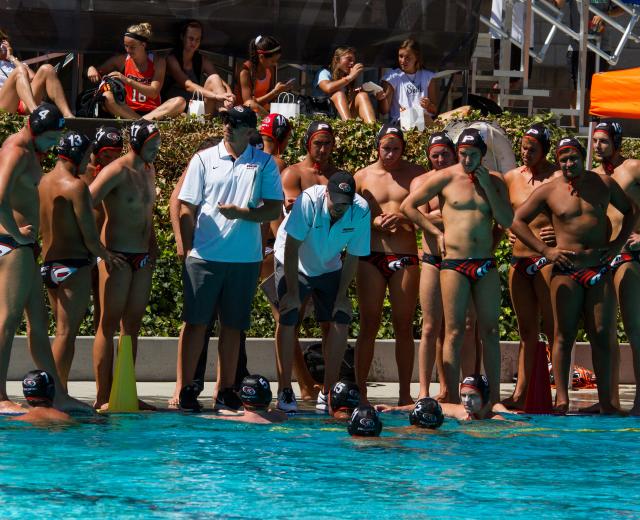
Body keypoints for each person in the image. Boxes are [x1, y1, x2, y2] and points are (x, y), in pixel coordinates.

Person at [510, 137, 636, 414]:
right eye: (563, 160)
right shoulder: (549, 191)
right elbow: (516, 220)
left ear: (583, 159)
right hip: (565, 270)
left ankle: (606, 402)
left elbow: (630, 212)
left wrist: (616, 245)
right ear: (558, 162)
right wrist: (546, 250)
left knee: (602, 334)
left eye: (573, 159)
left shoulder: (603, 184)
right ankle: (562, 400)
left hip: (598, 268)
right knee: (563, 335)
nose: (568, 164)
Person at [176, 106, 283, 412]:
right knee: (195, 324)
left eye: (235, 123)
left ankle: (226, 390)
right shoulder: (203, 159)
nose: (227, 126)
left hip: (244, 260)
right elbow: (187, 208)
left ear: (250, 132)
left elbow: (273, 210)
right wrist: (188, 250)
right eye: (226, 121)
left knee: (233, 327)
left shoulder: (263, 163)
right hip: (204, 257)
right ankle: (186, 389)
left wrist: (241, 214)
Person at [401, 127, 514, 404]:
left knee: (489, 330)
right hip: (453, 264)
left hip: (484, 264)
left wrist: (487, 186)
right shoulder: (445, 178)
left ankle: (494, 398)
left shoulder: (496, 181)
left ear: (482, 155)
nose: (466, 160)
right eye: (462, 154)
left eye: (472, 155)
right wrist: (436, 233)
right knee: (452, 331)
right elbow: (408, 206)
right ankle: (451, 398)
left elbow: (506, 219)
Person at [0, 103, 88, 413]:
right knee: (7, 320)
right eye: (52, 138)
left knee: (37, 323)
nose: (54, 144)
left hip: (23, 247)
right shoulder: (17, 150)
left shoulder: (29, 151)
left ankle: (58, 394)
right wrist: (18, 233)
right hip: (12, 245)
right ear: (35, 130)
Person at [274, 172, 371, 413]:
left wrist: (342, 296)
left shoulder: (360, 210)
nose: (340, 208)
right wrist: (293, 293)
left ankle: (328, 392)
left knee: (340, 318)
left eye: (344, 203)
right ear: (326, 193)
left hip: (329, 264)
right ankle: (285, 389)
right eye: (336, 202)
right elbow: (292, 247)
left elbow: (354, 257)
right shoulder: (309, 200)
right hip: (292, 260)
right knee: (288, 315)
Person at [39, 131, 124, 388]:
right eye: (87, 155)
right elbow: (89, 236)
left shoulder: (43, 182)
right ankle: (56, 393)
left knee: (60, 333)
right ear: (76, 155)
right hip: (73, 265)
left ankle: (56, 390)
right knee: (66, 333)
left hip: (49, 265)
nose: (90, 160)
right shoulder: (75, 186)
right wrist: (107, 256)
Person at [89, 120, 161, 410]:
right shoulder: (116, 170)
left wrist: (153, 246)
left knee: (132, 326)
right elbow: (85, 202)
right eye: (152, 145)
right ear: (137, 144)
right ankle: (103, 397)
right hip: (117, 255)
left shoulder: (148, 169)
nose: (156, 150)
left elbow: (146, 212)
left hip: (141, 257)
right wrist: (99, 250)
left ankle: (125, 392)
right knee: (107, 326)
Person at [353, 124, 424, 406]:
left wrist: (405, 220)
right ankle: (360, 392)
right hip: (372, 256)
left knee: (403, 325)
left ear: (403, 148)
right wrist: (372, 221)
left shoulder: (417, 175)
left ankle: (405, 393)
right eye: (386, 147)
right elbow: (349, 218)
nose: (391, 153)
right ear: (377, 147)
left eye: (396, 148)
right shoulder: (363, 176)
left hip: (405, 256)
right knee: (368, 324)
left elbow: (431, 214)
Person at [409, 133, 479, 401]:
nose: (440, 160)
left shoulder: (466, 181)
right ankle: (427, 391)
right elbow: (417, 220)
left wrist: (434, 216)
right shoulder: (422, 182)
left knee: (466, 326)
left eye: (445, 155)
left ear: (454, 154)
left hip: (463, 261)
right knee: (430, 327)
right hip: (433, 260)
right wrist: (450, 215)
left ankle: (469, 386)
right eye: (435, 155)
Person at [279, 120, 341, 400]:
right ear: (307, 144)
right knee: (290, 319)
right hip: (298, 260)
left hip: (326, 260)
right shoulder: (293, 173)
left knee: (330, 323)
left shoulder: (339, 176)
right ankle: (292, 385)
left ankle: (329, 387)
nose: (323, 149)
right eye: (318, 143)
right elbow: (293, 210)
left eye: (328, 143)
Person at [502, 124, 558, 409]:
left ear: (545, 151)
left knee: (553, 329)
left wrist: (558, 233)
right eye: (523, 147)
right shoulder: (512, 178)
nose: (525, 153)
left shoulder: (557, 177)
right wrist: (507, 228)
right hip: (519, 260)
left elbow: (573, 214)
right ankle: (520, 394)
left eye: (532, 149)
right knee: (525, 331)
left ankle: (561, 395)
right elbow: (501, 212)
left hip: (546, 261)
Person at [592, 121, 640, 415]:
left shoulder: (633, 168)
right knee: (603, 331)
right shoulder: (594, 176)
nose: (597, 146)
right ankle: (609, 400)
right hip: (602, 258)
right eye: (595, 141)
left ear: (616, 142)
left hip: (629, 257)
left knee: (635, 331)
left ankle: (639, 401)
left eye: (603, 141)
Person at [86, 22, 186, 120]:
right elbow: (96, 71)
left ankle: (141, 122)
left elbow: (154, 92)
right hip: (128, 111)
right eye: (126, 46)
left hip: (154, 113)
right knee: (106, 96)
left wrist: (127, 80)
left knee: (180, 102)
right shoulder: (122, 60)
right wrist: (91, 68)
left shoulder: (158, 61)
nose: (128, 50)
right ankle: (141, 122)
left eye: (132, 47)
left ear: (143, 45)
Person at [81, 127, 124, 334]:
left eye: (115, 156)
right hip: (83, 245)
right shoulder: (83, 170)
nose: (110, 160)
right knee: (75, 312)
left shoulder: (118, 170)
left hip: (105, 245)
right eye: (106, 155)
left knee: (103, 307)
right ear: (97, 150)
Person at [164, 20, 235, 114]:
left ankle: (225, 116)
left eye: (198, 39)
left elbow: (218, 79)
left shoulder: (202, 59)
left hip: (197, 109)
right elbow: (188, 85)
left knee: (214, 77)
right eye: (191, 38)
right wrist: (216, 96)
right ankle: (225, 117)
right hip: (179, 109)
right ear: (182, 37)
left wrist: (229, 94)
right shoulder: (172, 59)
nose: (194, 42)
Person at [0, 28, 73, 118]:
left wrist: (11, 58)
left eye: (3, 41)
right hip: (3, 106)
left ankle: (68, 115)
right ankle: (36, 112)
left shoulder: (15, 62)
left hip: (22, 103)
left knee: (47, 69)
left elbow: (32, 77)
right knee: (19, 71)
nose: (2, 45)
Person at [378, 374, 506, 421]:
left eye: (473, 396)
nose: (466, 401)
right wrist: (395, 409)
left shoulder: (497, 421)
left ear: (484, 397)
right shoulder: (460, 412)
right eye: (463, 395)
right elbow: (428, 404)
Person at [314, 47, 384, 124]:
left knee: (362, 95)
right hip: (325, 115)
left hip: (343, 117)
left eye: (353, 61)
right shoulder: (324, 72)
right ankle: (349, 128)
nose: (352, 63)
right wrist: (350, 77)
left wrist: (366, 92)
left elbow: (349, 103)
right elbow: (328, 88)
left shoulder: (348, 77)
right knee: (338, 94)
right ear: (336, 60)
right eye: (349, 59)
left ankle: (372, 130)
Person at [378, 39, 438, 124]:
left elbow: (434, 111)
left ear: (416, 57)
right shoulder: (391, 77)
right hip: (401, 122)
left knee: (463, 110)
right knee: (422, 117)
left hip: (426, 121)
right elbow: (384, 111)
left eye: (407, 57)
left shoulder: (428, 76)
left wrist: (428, 106)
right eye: (400, 56)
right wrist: (382, 99)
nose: (403, 61)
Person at [235, 35, 292, 117]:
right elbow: (248, 103)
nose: (275, 64)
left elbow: (270, 97)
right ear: (261, 57)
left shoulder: (270, 69)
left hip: (265, 112)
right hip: (246, 115)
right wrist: (274, 92)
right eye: (272, 61)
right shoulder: (245, 71)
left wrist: (281, 90)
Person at [205, 375, 287, 424]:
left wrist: (229, 412)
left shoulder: (233, 419)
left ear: (241, 396)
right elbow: (268, 411)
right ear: (269, 397)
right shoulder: (280, 416)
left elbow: (207, 417)